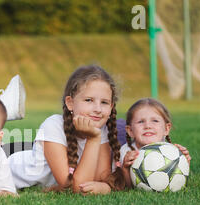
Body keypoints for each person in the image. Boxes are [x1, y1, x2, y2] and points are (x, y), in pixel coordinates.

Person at [8, 64, 124, 195]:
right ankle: (3, 107)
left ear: (111, 106)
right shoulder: (53, 125)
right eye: (89, 100)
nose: (97, 109)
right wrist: (93, 139)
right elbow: (76, 188)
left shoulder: (102, 130)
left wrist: (105, 187)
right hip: (7, 164)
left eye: (104, 102)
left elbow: (99, 179)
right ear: (70, 103)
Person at [121, 97, 191, 188]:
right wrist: (125, 169)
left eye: (155, 121)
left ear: (166, 129)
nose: (148, 126)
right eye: (141, 121)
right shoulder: (126, 152)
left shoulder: (171, 153)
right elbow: (128, 188)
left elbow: (180, 180)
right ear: (130, 130)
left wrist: (184, 161)